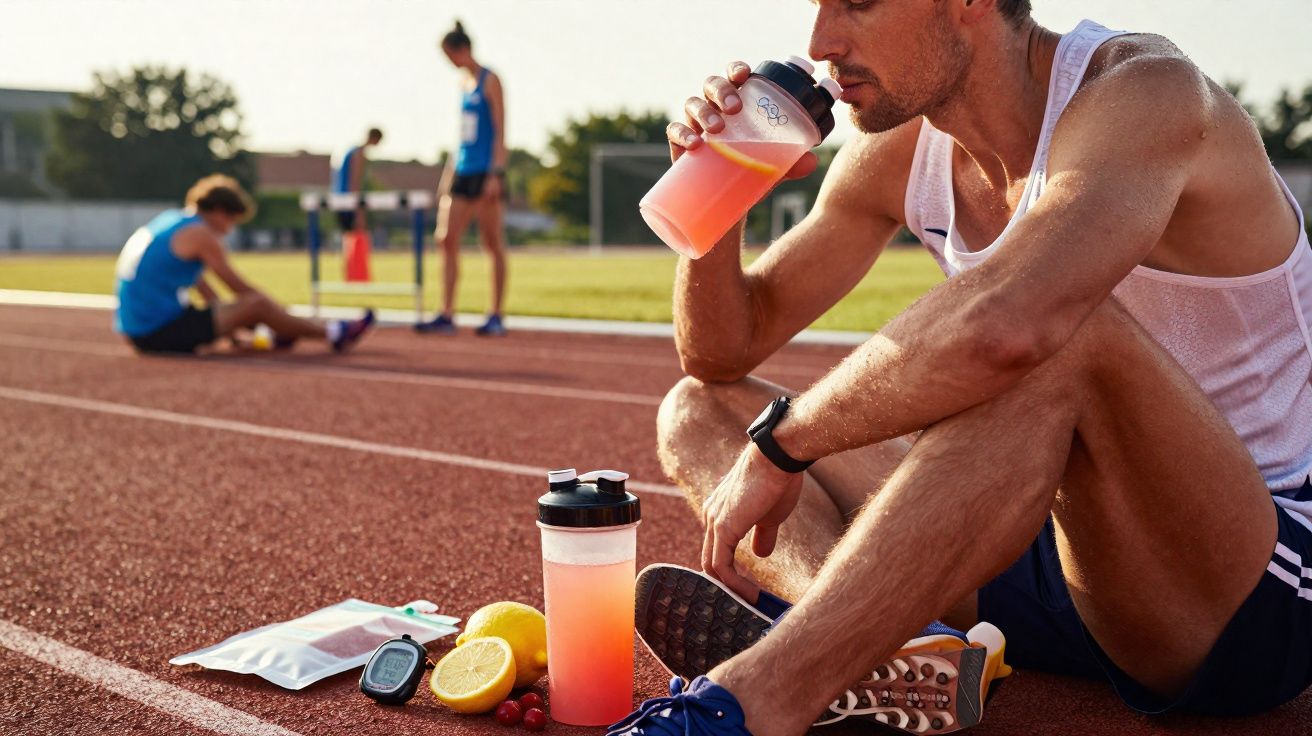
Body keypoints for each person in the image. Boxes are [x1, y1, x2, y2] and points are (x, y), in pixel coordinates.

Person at [611, 2, 1312, 735]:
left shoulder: (1146, 93)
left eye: (856, 4)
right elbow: (721, 353)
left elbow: (1008, 325)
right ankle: (890, 660)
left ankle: (754, 703)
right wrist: (716, 191)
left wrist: (785, 442)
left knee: (1063, 331)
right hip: (1046, 548)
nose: (821, 43)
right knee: (699, 409)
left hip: (1239, 594)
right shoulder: (902, 148)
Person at [114, 174, 374, 354]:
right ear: (219, 212)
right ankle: (333, 332)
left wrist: (231, 327)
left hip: (138, 331)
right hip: (158, 330)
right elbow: (239, 288)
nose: (228, 231)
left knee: (251, 310)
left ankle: (281, 331)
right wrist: (276, 312)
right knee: (258, 305)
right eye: (231, 222)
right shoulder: (200, 234)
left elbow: (203, 289)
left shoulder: (171, 221)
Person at [416, 20, 509, 337]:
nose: (449, 62)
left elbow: (499, 130)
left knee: (491, 242)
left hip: (486, 172)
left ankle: (495, 314)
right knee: (445, 238)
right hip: (463, 170)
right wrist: (448, 175)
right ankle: (446, 312)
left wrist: (496, 173)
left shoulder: (490, 80)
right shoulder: (462, 84)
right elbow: (461, 138)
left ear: (461, 49)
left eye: (449, 55)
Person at [331, 128, 383, 234]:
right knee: (354, 233)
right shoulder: (359, 153)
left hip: (338, 195)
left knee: (347, 234)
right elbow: (355, 181)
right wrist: (359, 210)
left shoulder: (351, 150)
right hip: (348, 198)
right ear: (376, 139)